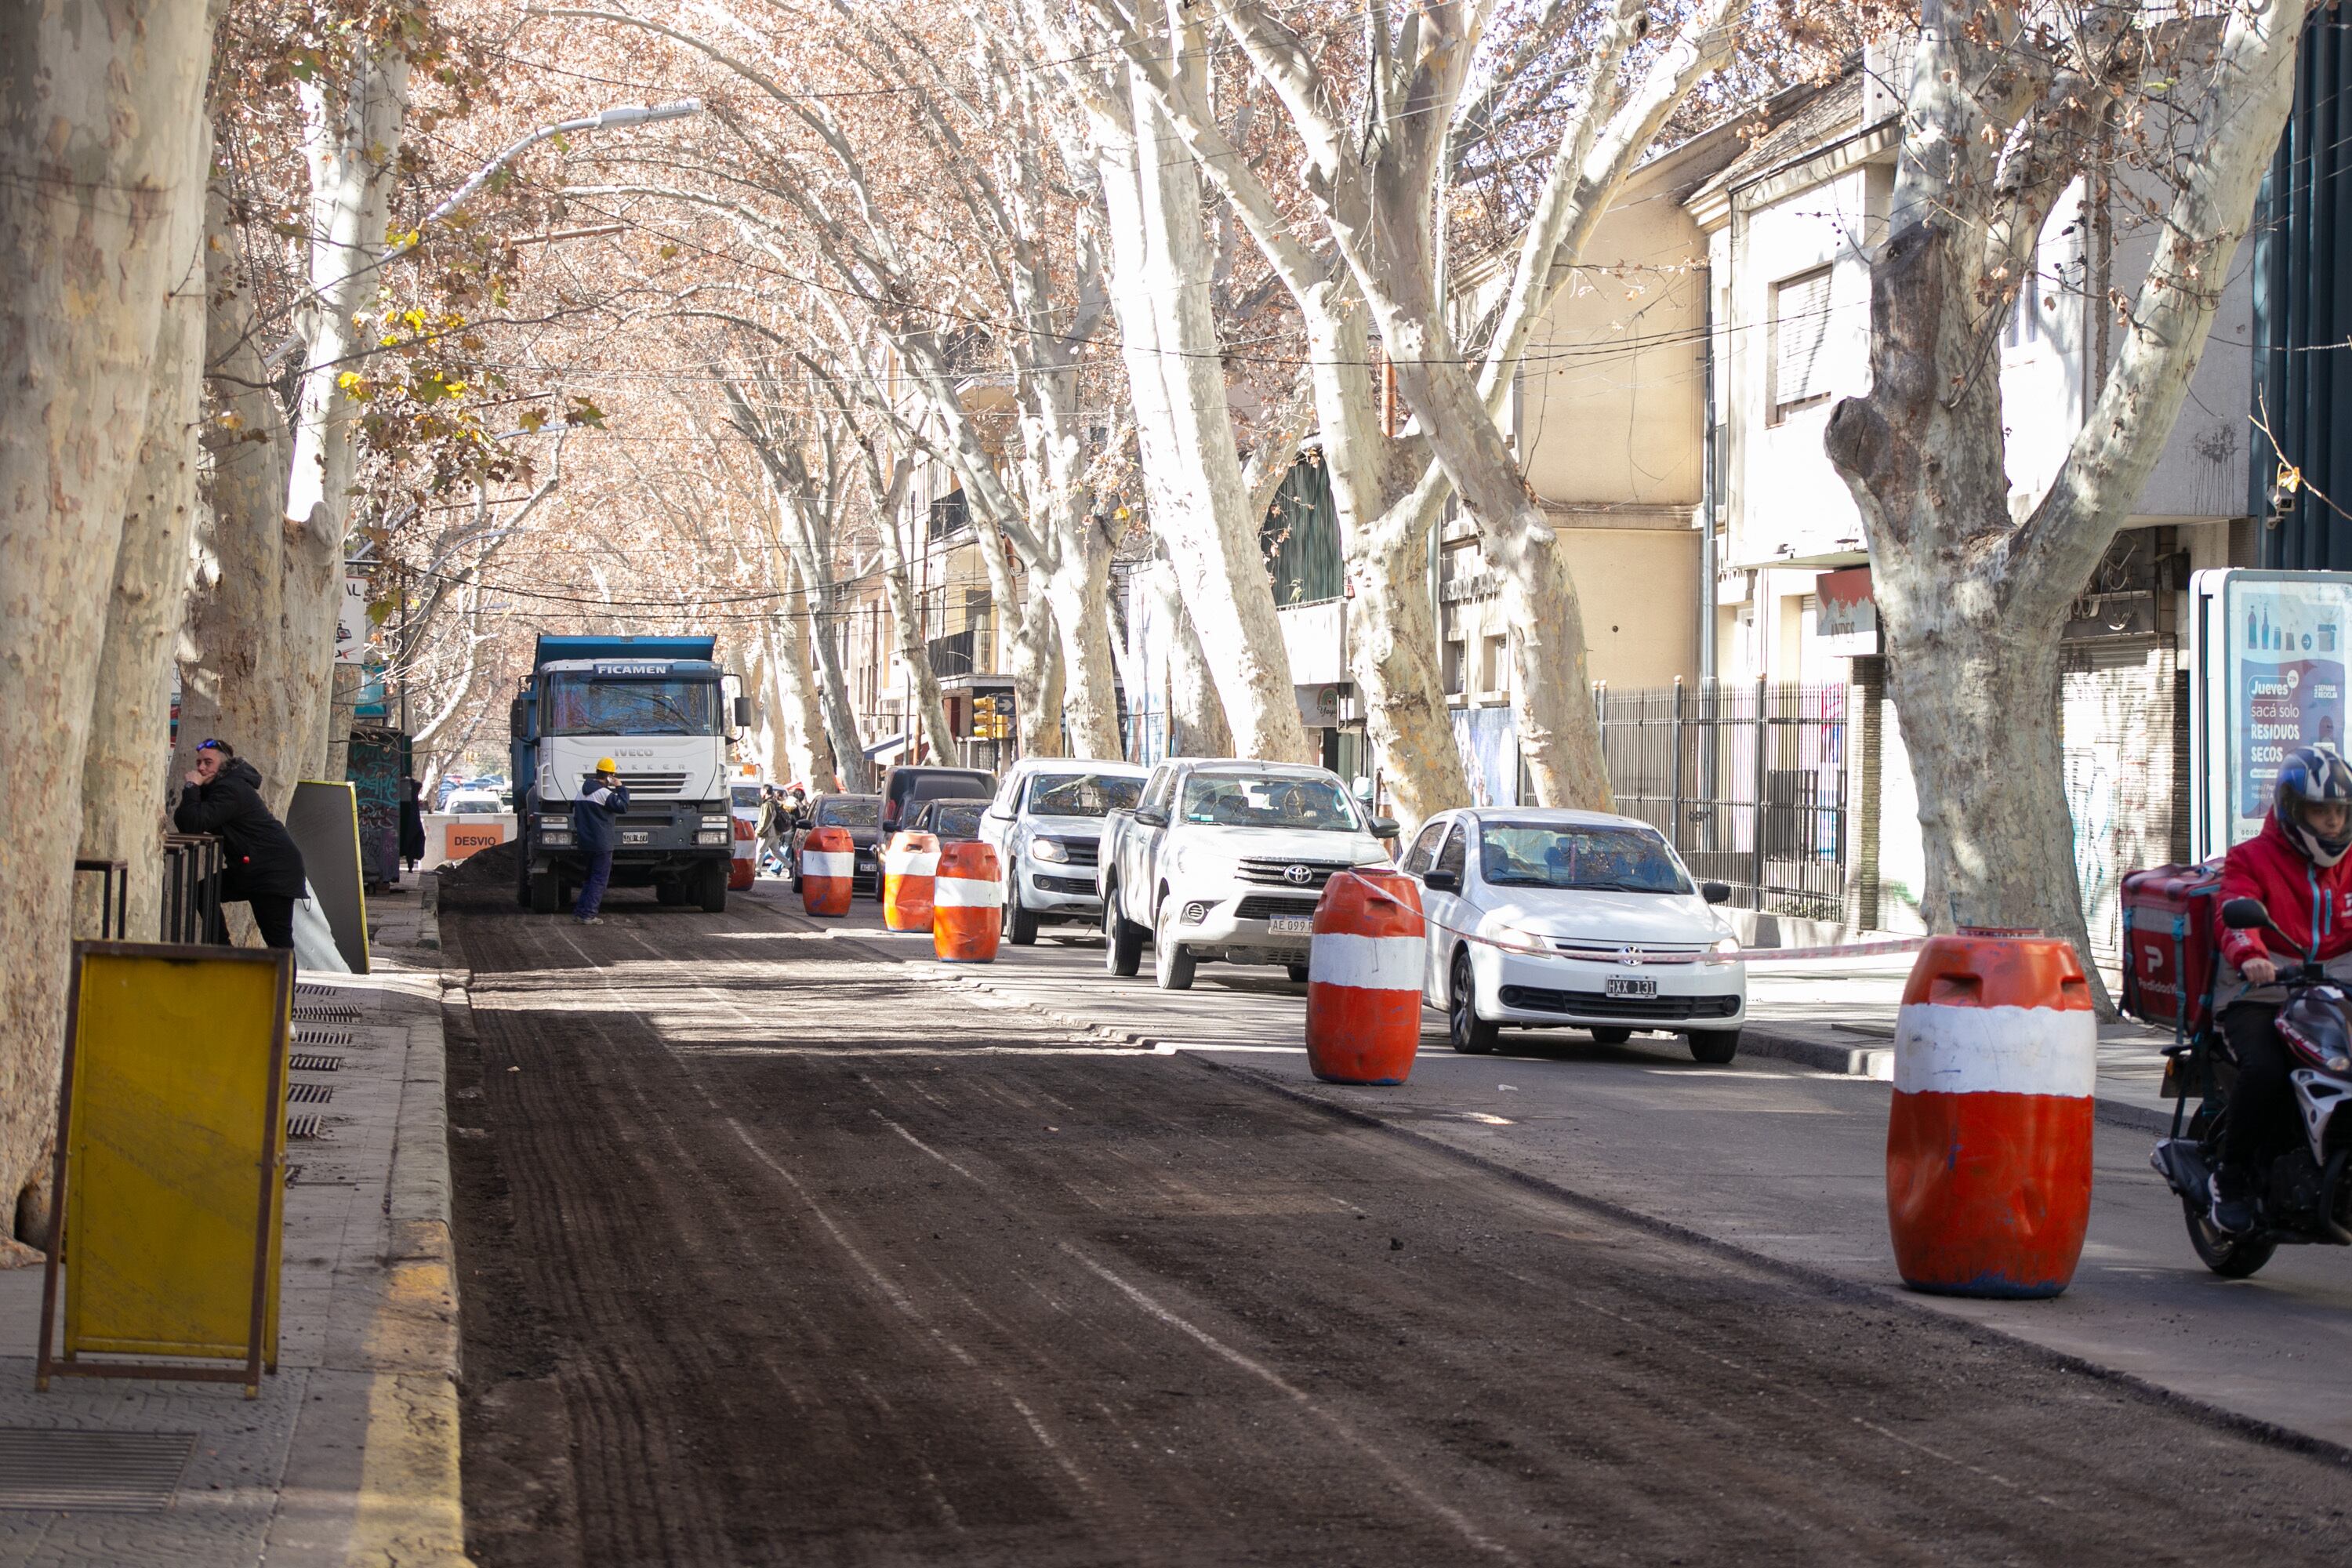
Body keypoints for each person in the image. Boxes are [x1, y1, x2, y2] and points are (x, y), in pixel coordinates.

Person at [2209, 742, 2352, 1233]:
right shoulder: (2251, 858)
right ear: (2292, 810)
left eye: (2340, 811)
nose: (2333, 822)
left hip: (2335, 989)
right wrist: (2252, 957)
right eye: (2320, 810)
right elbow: (2234, 912)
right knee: (2267, 1068)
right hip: (2263, 990)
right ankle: (2228, 1179)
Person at [172, 739, 307, 951]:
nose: (201, 768)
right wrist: (194, 792)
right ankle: (225, 951)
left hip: (273, 873)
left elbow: (194, 822)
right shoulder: (219, 788)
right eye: (198, 762)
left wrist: (191, 787)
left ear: (223, 765)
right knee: (203, 892)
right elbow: (186, 822)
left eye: (208, 763)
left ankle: (284, 984)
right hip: (250, 869)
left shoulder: (231, 789)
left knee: (279, 945)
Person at [571, 757, 630, 924]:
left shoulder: (581, 792)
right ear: (610, 776)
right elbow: (623, 806)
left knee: (590, 878)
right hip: (601, 843)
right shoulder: (604, 793)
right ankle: (589, 914)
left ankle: (580, 912)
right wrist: (621, 787)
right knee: (599, 880)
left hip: (586, 842)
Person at [399, 775, 426, 873]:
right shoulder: (413, 785)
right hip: (410, 819)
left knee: (410, 842)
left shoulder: (402, 786)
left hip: (405, 817)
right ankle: (410, 866)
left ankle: (410, 866)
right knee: (411, 842)